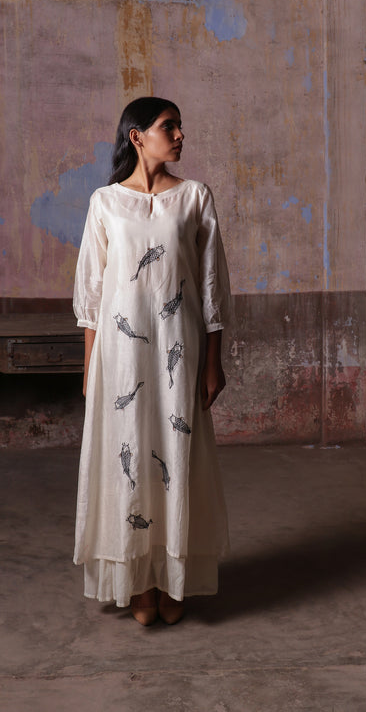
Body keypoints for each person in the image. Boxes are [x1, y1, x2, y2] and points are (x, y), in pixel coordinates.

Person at [73, 97, 230, 625]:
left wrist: (214, 362)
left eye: (181, 126)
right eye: (170, 126)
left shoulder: (194, 197)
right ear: (137, 136)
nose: (181, 135)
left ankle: (173, 578)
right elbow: (92, 294)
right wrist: (91, 371)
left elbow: (211, 287)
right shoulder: (105, 202)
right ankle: (138, 579)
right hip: (120, 357)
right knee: (130, 454)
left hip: (176, 350)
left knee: (175, 455)